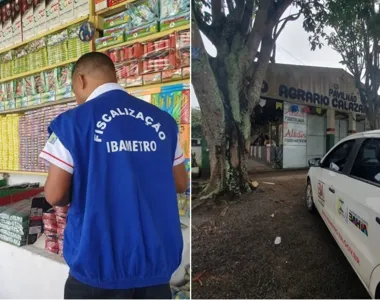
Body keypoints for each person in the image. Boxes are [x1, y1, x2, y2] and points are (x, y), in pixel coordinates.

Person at [39, 52, 188, 299]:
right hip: (154, 269)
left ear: (80, 80)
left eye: (74, 89)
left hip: (96, 269)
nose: (76, 97)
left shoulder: (72, 124)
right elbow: (181, 183)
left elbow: (54, 195)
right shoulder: (164, 123)